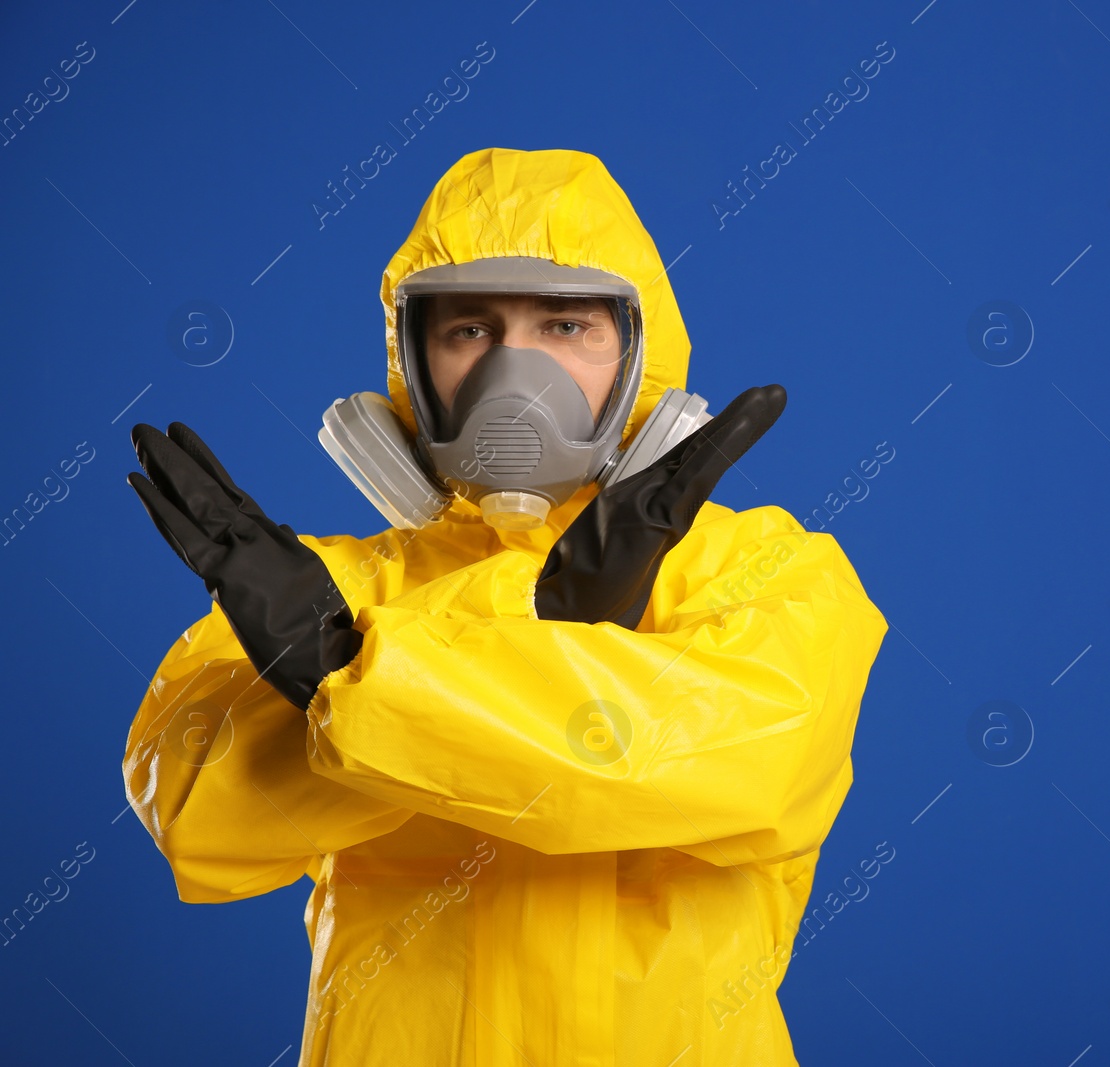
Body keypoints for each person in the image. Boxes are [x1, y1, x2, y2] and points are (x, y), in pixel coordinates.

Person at [121, 147, 888, 1066]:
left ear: (636, 355)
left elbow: (754, 771)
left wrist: (345, 676)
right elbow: (201, 825)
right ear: (412, 360)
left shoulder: (762, 567)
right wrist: (537, 631)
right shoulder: (315, 588)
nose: (515, 379)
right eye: (470, 331)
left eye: (566, 325)